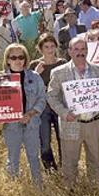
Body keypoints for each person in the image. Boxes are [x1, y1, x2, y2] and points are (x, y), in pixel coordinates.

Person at [47, 37, 99, 187]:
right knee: (70, 162)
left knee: (95, 160)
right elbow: (51, 96)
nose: (80, 52)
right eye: (76, 49)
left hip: (94, 123)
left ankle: (97, 190)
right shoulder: (59, 72)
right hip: (71, 123)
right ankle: (70, 192)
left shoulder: (97, 70)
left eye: (83, 49)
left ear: (87, 51)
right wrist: (64, 113)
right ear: (69, 52)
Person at [0, 44, 46, 186]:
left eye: (21, 57)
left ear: (25, 59)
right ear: (7, 60)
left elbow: (42, 98)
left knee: (34, 157)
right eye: (13, 57)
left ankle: (39, 188)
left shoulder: (35, 77)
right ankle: (14, 187)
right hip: (11, 127)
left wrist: (30, 114)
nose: (18, 60)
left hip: (31, 124)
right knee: (13, 158)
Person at [29, 34, 67, 171]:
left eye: (52, 46)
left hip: (59, 106)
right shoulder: (35, 65)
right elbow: (29, 88)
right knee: (44, 143)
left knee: (64, 140)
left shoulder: (63, 63)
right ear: (40, 49)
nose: (50, 49)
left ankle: (66, 169)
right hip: (42, 108)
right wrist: (36, 74)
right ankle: (51, 170)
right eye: (46, 47)